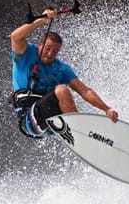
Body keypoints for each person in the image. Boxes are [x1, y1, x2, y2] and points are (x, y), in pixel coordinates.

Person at [10, 8, 118, 138]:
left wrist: (106, 109)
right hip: (29, 119)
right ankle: (81, 134)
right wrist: (42, 20)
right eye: (47, 48)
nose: (50, 54)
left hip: (52, 125)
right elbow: (15, 37)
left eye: (55, 51)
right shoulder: (26, 54)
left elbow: (84, 91)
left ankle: (90, 135)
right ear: (40, 44)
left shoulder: (62, 68)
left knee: (63, 93)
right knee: (61, 90)